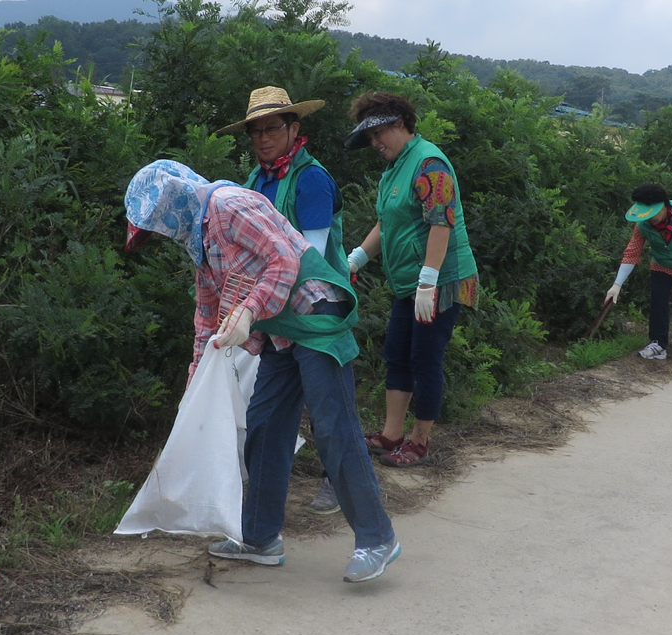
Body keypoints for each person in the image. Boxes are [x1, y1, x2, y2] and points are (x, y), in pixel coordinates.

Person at [124, 160, 402, 583]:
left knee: (334, 428)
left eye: (156, 226)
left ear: (171, 204)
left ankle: (377, 537)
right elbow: (206, 317)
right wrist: (193, 386)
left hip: (315, 315)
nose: (160, 234)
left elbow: (284, 259)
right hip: (279, 332)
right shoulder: (201, 240)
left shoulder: (229, 205)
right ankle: (259, 537)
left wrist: (249, 311)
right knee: (265, 425)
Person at [344, 91, 479, 468]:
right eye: (369, 137)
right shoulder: (395, 168)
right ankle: (391, 434)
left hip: (442, 281)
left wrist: (429, 281)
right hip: (410, 283)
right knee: (397, 353)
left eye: (378, 133)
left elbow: (441, 223)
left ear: (400, 124)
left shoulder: (430, 164)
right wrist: (355, 260)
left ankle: (420, 442)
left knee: (424, 358)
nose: (374, 143)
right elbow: (387, 223)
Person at [230, 85, 347, 515]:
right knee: (266, 418)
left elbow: (310, 255)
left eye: (273, 128)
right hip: (277, 314)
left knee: (328, 413)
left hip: (316, 313)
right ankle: (260, 525)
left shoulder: (310, 178)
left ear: (294, 128)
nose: (263, 138)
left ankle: (344, 487)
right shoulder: (257, 179)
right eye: (256, 131)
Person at [603, 182, 672, 361]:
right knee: (658, 298)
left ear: (664, 206)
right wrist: (616, 285)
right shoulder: (642, 225)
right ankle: (658, 344)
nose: (650, 219)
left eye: (653, 214)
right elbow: (631, 254)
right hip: (662, 262)